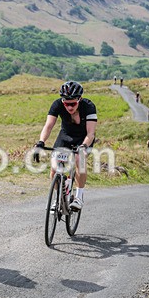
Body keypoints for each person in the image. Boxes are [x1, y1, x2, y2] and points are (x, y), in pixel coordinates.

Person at [33, 81, 97, 211]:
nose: (69, 107)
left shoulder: (89, 107)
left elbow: (91, 133)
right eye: (66, 103)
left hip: (84, 138)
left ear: (80, 99)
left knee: (80, 159)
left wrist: (84, 146)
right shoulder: (57, 104)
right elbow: (49, 126)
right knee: (54, 167)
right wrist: (40, 142)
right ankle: (58, 199)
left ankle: (79, 197)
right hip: (65, 136)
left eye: (73, 103)